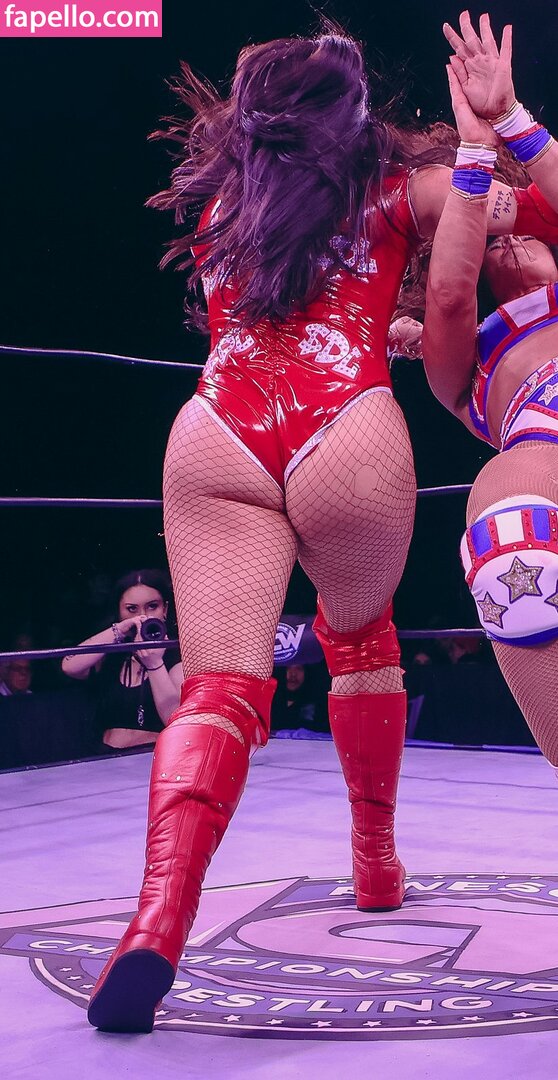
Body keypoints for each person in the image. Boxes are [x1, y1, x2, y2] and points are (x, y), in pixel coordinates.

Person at [87, 22, 558, 1033]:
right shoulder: (398, 191)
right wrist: (489, 139)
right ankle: (375, 862)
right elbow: (516, 227)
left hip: (217, 426)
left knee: (218, 688)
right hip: (346, 422)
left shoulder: (226, 204)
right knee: (359, 635)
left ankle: (155, 924)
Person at [422, 15, 558, 766]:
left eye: (526, 232)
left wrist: (510, 119)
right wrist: (472, 159)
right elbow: (448, 295)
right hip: (543, 443)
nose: (510, 241)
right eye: (491, 239)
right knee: (512, 541)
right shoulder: (463, 356)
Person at [62, 569, 182, 750]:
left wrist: (155, 664)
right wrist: (119, 629)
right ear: (119, 611)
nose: (142, 616)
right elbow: (69, 666)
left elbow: (174, 719)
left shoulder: (176, 656)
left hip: (150, 756)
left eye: (152, 606)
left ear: (164, 609)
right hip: (105, 756)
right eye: (132, 609)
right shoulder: (112, 653)